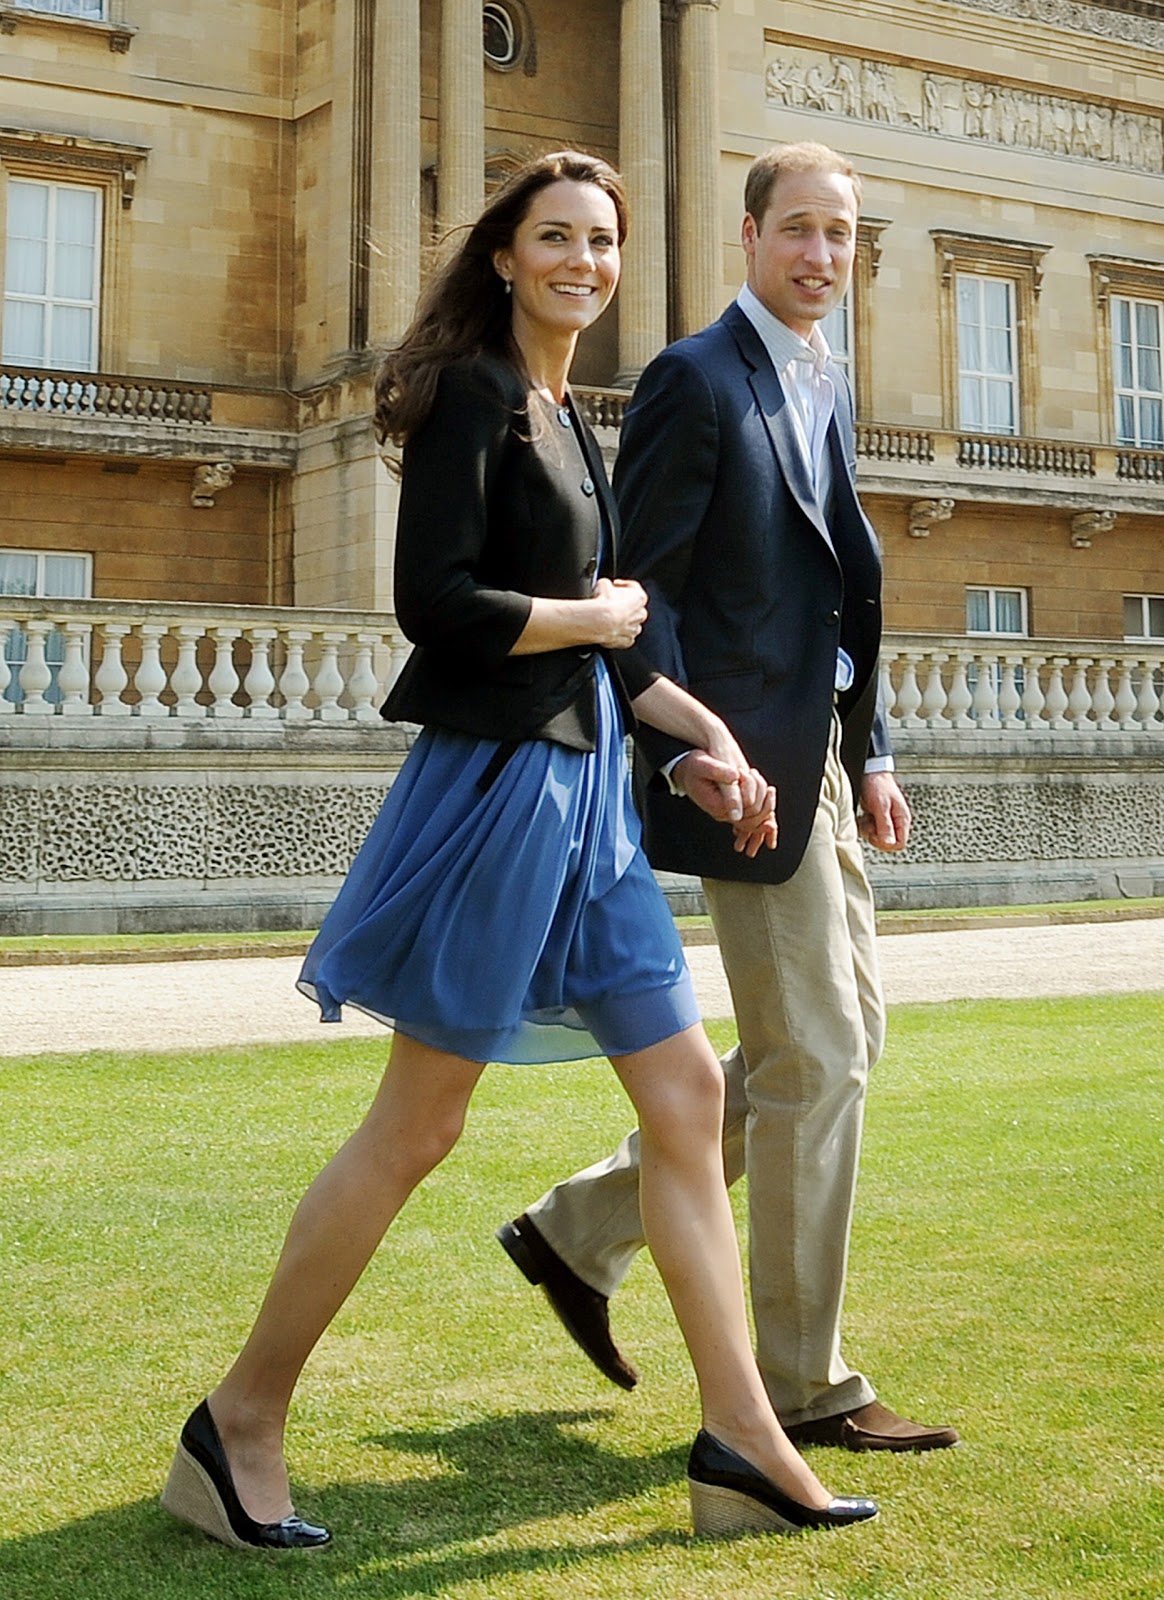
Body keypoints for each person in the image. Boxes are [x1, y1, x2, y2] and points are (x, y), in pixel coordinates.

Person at [159, 150, 878, 1552]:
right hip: (500, 794)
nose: (585, 263)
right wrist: (599, 628)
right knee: (419, 1124)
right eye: (558, 239)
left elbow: (613, 640)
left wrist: (701, 742)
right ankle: (238, 1419)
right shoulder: (478, 395)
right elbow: (437, 604)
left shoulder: (569, 411)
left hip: (597, 793)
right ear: (505, 255)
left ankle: (743, 1438)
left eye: (603, 243)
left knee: (683, 1100)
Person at [500, 141, 959, 1455]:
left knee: (831, 1046)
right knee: (818, 1061)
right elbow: (646, 598)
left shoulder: (823, 379)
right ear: (750, 240)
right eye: (801, 230)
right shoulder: (697, 380)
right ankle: (804, 1388)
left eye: (844, 235)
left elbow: (839, 589)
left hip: (817, 757)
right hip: (742, 769)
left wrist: (869, 751)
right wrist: (697, 744)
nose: (824, 255)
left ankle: (576, 1230)